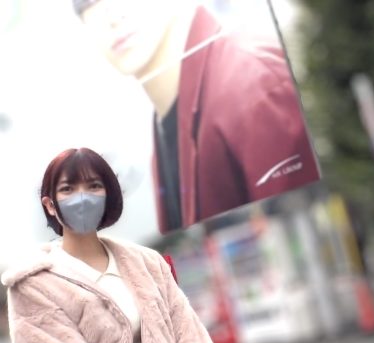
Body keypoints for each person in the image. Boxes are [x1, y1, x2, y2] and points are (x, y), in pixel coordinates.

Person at [1, 148, 233, 343]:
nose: (83, 197)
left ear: (108, 194)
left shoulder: (145, 262)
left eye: (94, 186)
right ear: (50, 204)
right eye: (68, 189)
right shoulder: (34, 285)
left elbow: (188, 339)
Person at [72, 0, 321, 233]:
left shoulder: (250, 83)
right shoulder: (162, 131)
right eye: (89, 2)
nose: (113, 16)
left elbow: (302, 217)